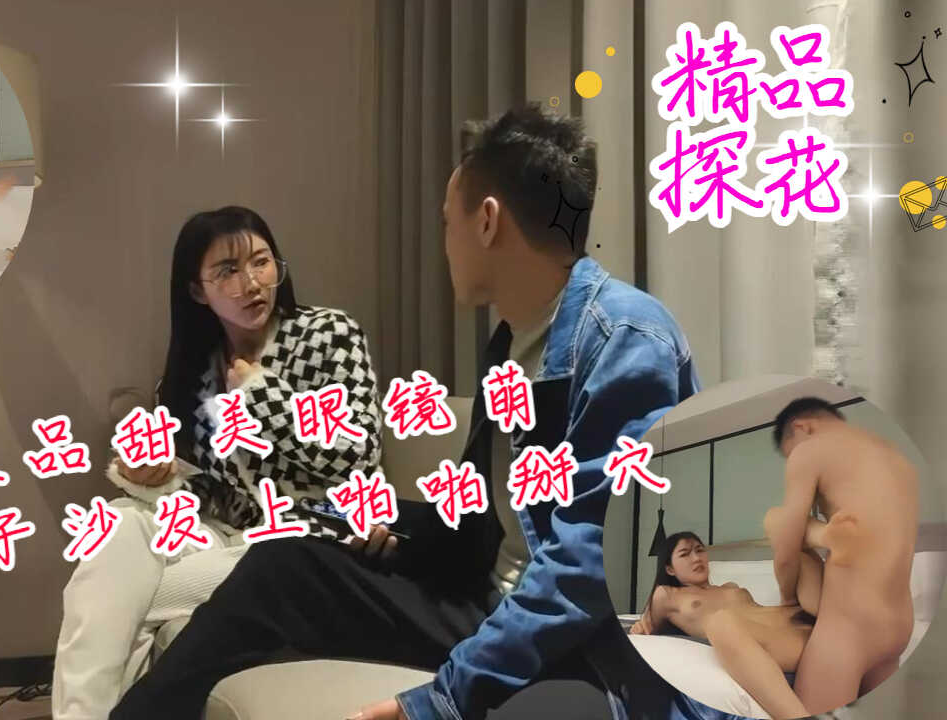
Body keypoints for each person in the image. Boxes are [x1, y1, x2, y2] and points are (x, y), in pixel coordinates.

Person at [111, 104, 730, 720]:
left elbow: (588, 566)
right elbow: (484, 520)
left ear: (486, 221)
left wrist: (440, 698)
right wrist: (390, 531)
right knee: (282, 564)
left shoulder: (623, 337)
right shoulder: (511, 344)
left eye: (446, 222)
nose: (444, 242)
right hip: (490, 600)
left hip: (582, 642)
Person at [51, 206, 385, 720]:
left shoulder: (329, 334)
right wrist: (156, 476)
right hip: (229, 531)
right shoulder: (196, 367)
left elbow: (354, 452)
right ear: (196, 290)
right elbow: (213, 489)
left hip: (308, 541)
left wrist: (260, 391)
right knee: (117, 526)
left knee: (121, 602)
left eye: (261, 262)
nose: (251, 283)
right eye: (228, 270)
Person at [763, 397, 919, 716]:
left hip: (851, 625)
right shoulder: (899, 458)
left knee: (777, 520)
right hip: (900, 626)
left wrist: (786, 599)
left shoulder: (810, 450)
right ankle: (822, 533)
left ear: (801, 427)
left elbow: (786, 553)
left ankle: (821, 534)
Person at [630, 532, 821, 720]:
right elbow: (646, 624)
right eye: (685, 554)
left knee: (799, 550)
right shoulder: (666, 594)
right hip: (769, 645)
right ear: (670, 569)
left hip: (797, 627)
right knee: (719, 621)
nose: (696, 558)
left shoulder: (730, 587)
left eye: (699, 550)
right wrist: (640, 627)